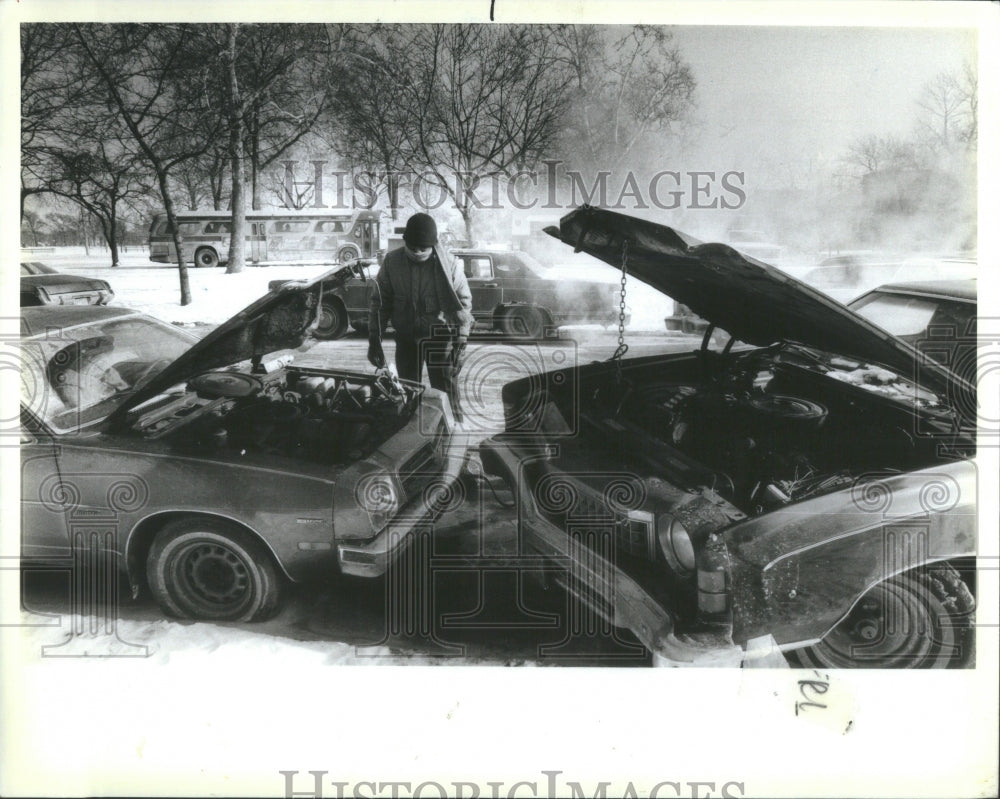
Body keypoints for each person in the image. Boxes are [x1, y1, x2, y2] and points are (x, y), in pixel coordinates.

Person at [367, 213, 473, 422]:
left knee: (445, 390)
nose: (416, 252)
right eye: (412, 248)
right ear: (405, 241)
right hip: (406, 338)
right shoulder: (392, 262)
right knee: (407, 392)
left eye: (422, 249)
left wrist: (461, 342)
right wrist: (374, 339)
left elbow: (464, 303)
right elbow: (379, 303)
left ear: (433, 246)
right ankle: (412, 439)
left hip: (439, 339)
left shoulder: (448, 265)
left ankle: (454, 433)